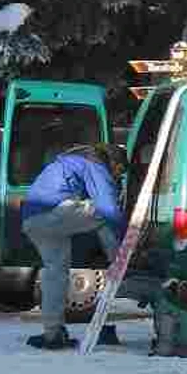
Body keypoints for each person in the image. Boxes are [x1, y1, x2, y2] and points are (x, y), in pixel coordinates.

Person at [21, 143, 128, 349]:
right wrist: (124, 239)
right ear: (113, 162)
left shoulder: (71, 160)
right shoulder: (96, 165)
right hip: (54, 211)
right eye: (119, 170)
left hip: (32, 219)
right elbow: (108, 208)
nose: (118, 175)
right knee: (102, 213)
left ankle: (52, 334)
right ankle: (119, 260)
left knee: (56, 275)